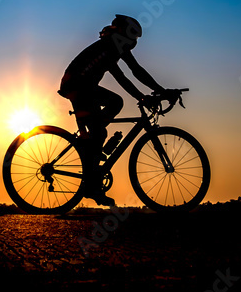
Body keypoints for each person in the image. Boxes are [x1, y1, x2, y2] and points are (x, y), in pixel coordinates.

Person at [58, 14, 167, 206]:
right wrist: (144, 96)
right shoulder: (108, 47)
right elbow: (124, 77)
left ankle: (91, 145)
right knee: (105, 123)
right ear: (124, 36)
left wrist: (160, 90)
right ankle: (91, 180)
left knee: (113, 107)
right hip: (78, 86)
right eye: (133, 38)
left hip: (81, 85)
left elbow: (136, 70)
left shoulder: (113, 46)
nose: (133, 43)